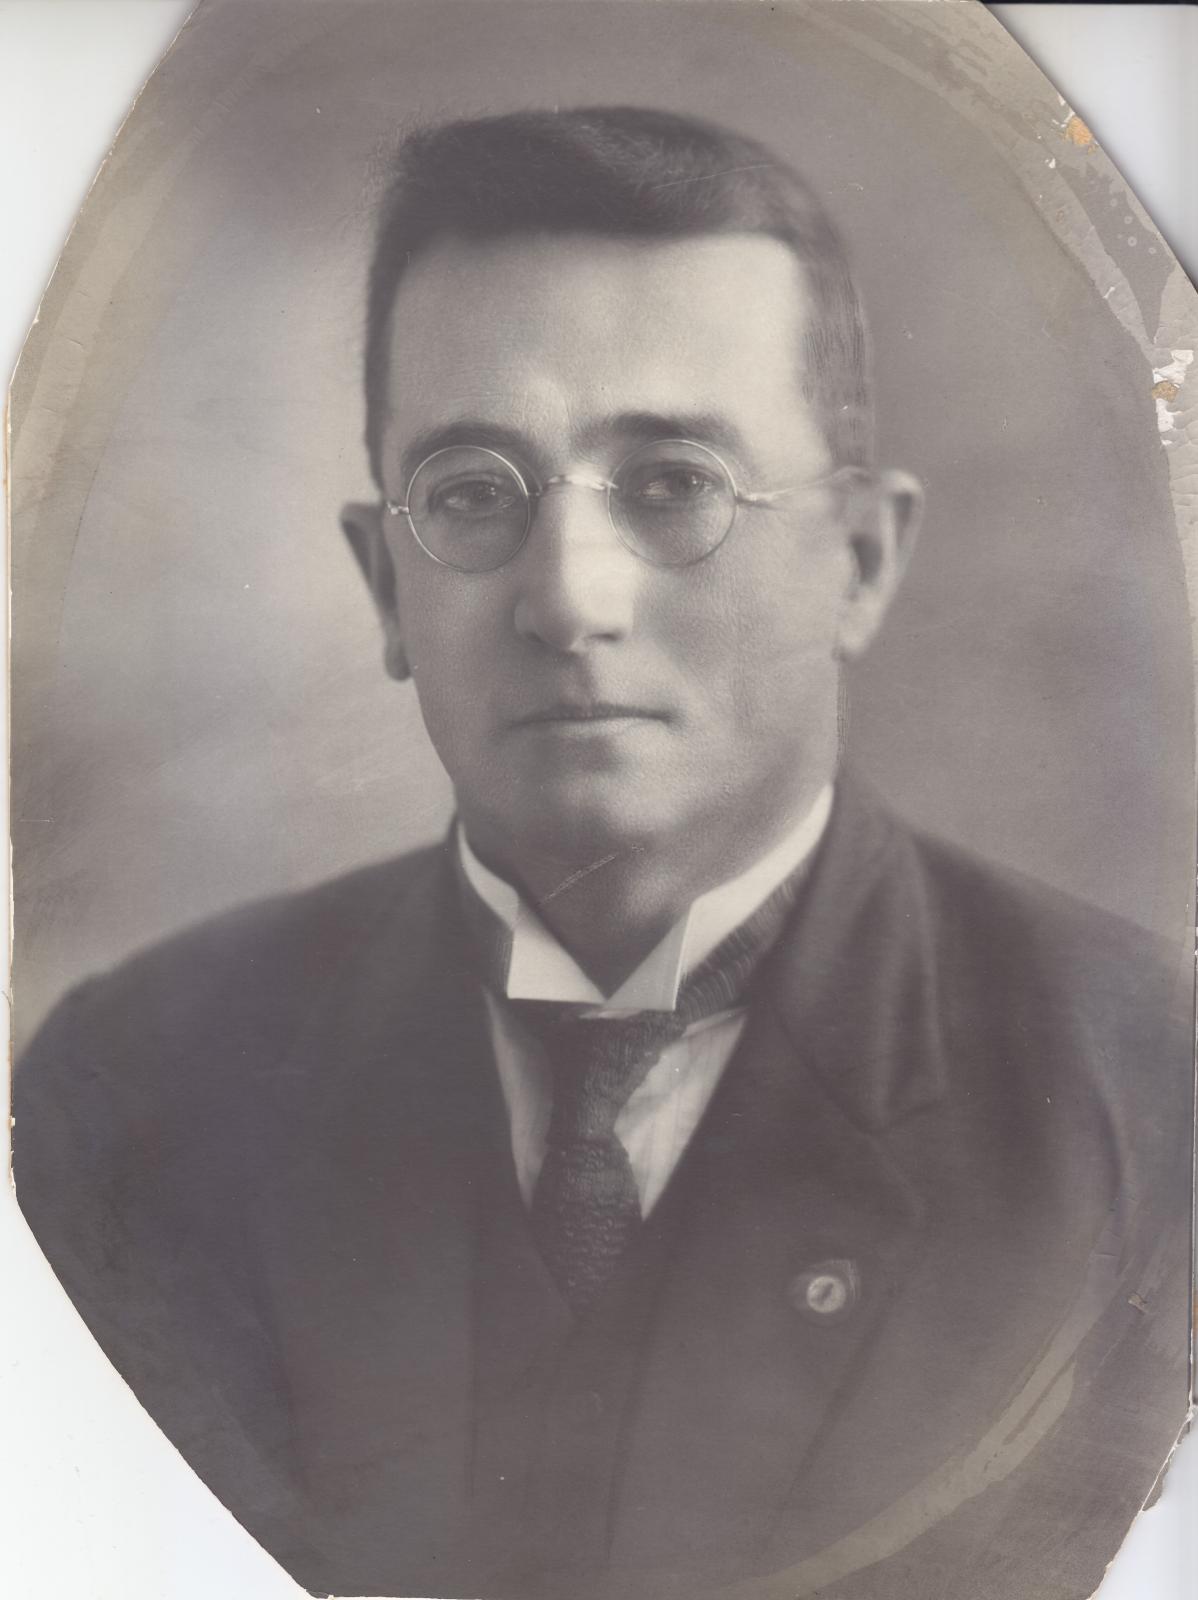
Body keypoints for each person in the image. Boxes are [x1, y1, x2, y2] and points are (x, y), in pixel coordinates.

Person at [13, 107, 1192, 1600]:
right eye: (470, 497)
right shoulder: (128, 1098)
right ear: (386, 585)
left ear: (859, 560)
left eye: (675, 483)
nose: (567, 598)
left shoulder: (1147, 1103)